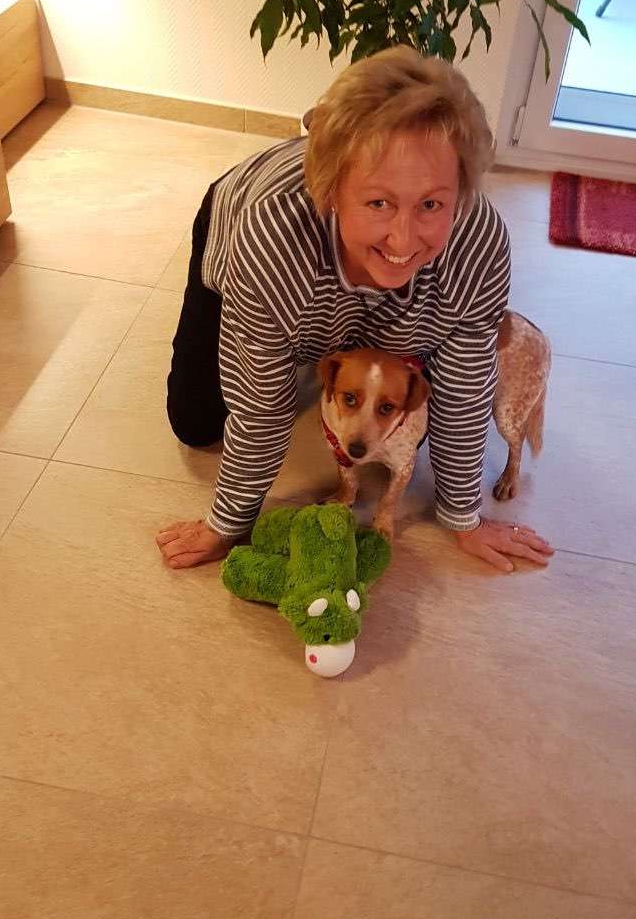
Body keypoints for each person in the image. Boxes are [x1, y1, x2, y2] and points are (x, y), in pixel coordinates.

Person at [156, 45, 553, 574]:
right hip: (246, 227)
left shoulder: (479, 244)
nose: (403, 238)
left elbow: (464, 390)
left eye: (432, 204)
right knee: (197, 421)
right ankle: (300, 343)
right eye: (378, 202)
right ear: (332, 189)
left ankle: (330, 334)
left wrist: (464, 517)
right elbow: (259, 403)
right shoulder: (269, 237)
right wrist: (227, 523)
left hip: (358, 297)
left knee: (419, 364)